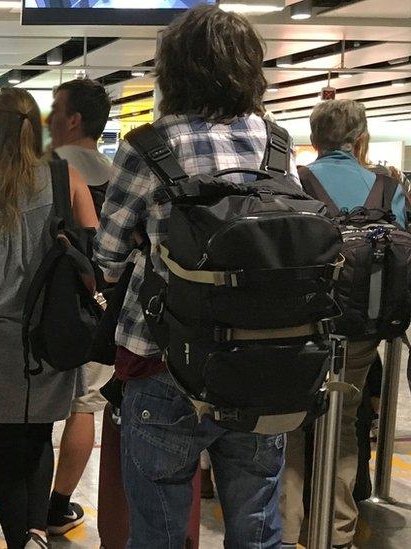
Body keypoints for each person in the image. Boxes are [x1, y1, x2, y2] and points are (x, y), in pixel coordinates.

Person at [94, 6, 292, 547]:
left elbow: (108, 254)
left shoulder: (148, 146)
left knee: (157, 529)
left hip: (166, 359)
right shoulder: (275, 143)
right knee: (256, 530)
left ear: (172, 71)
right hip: (262, 361)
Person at [0, 87, 99, 549]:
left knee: (3, 448)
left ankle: (22, 538)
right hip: (50, 336)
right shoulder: (65, 178)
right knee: (39, 439)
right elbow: (93, 258)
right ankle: (36, 530)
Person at [280, 99, 408, 549]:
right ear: (359, 139)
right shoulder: (387, 184)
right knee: (346, 423)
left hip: (303, 327)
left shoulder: (295, 181)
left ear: (314, 141)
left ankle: (289, 527)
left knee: (292, 424)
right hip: (362, 327)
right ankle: (337, 530)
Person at [44, 76, 115, 535]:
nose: (48, 117)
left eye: (55, 108)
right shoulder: (119, 175)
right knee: (85, 404)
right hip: (93, 307)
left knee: (30, 406)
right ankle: (58, 505)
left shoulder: (41, 168)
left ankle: (24, 502)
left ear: (73, 120)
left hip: (37, 308)